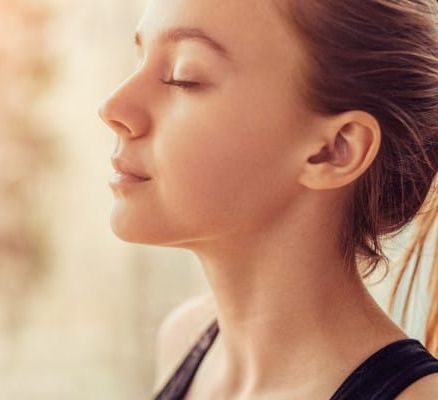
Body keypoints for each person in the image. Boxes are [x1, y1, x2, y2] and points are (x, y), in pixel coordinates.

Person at [97, 0, 438, 399]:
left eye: (182, 77)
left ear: (335, 149)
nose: (112, 108)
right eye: (139, 59)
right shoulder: (184, 339)